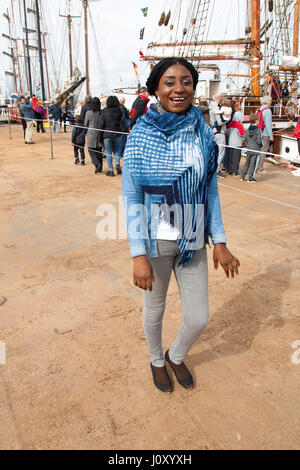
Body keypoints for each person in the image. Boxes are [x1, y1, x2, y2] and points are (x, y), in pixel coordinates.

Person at [122, 57, 240, 394]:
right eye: (170, 82)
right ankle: (157, 360)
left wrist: (219, 239)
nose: (178, 88)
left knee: (199, 317)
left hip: (192, 240)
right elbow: (132, 196)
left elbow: (209, 189)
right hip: (155, 242)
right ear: (157, 88)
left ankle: (176, 354)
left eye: (186, 81)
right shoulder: (140, 135)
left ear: (193, 87)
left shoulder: (203, 134)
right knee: (154, 309)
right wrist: (137, 253)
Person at [99, 95, 124, 176]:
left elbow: (101, 125)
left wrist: (99, 139)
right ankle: (117, 164)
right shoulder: (120, 111)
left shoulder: (104, 111)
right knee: (116, 150)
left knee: (109, 152)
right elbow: (122, 121)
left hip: (107, 134)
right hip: (117, 133)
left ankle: (110, 170)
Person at [209, 92, 227, 178]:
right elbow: (219, 122)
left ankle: (214, 169)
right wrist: (227, 120)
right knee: (220, 152)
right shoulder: (216, 108)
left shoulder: (210, 106)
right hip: (219, 131)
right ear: (220, 98)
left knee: (214, 151)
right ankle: (217, 170)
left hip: (213, 130)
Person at [240, 113, 262, 183]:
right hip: (256, 149)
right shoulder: (258, 130)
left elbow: (245, 138)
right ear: (256, 121)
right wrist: (261, 145)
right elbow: (259, 140)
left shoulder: (247, 130)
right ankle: (251, 177)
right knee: (254, 164)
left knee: (247, 163)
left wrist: (248, 144)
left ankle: (242, 176)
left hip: (249, 148)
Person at [84, 97, 102, 174]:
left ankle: (97, 164)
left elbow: (85, 124)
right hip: (100, 133)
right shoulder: (101, 112)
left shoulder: (88, 112)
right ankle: (100, 167)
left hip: (91, 133)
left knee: (91, 150)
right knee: (99, 151)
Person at [256, 96, 273, 173]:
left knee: (258, 150)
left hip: (258, 132)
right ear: (268, 102)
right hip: (265, 133)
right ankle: (260, 168)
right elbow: (268, 124)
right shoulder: (268, 111)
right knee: (263, 150)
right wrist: (271, 136)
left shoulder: (258, 109)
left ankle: (255, 167)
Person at [226, 111, 245, 175]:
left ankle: (229, 170)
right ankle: (235, 171)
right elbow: (242, 133)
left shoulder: (230, 123)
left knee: (230, 157)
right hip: (237, 143)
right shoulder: (238, 124)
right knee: (236, 158)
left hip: (230, 142)